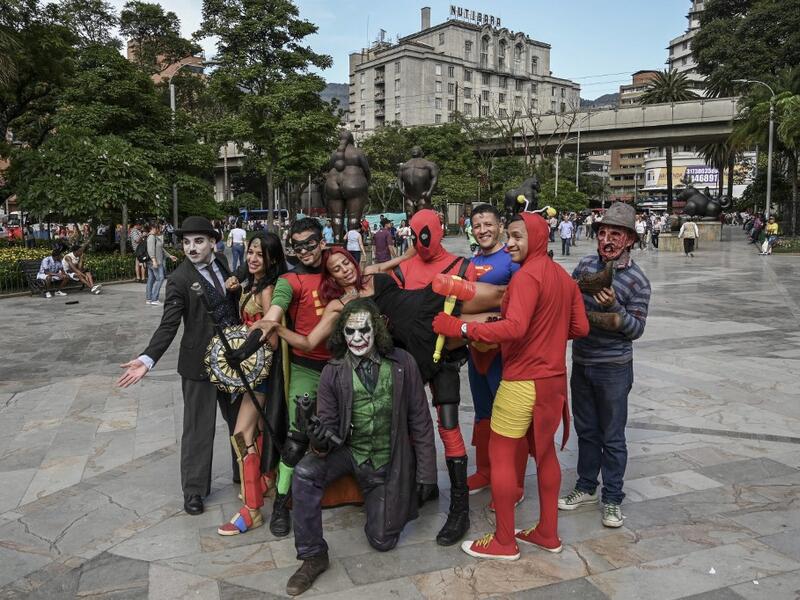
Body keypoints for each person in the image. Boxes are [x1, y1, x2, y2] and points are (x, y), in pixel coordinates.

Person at [432, 212, 589, 560]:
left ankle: (504, 540)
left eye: (518, 236)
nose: (512, 243)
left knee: (501, 456)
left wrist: (459, 329)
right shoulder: (563, 278)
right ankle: (548, 532)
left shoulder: (526, 278)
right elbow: (580, 328)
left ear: (536, 237)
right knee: (546, 454)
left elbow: (514, 328)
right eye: (511, 236)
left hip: (522, 381)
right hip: (553, 382)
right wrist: (545, 335)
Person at [285, 299, 437, 596]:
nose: (357, 339)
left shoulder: (403, 364)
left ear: (376, 329)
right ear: (342, 333)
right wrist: (316, 435)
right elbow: (327, 429)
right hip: (349, 453)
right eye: (350, 332)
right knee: (303, 472)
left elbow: (421, 420)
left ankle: (379, 499)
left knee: (382, 541)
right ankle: (313, 555)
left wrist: (427, 474)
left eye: (363, 330)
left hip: (387, 460)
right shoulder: (333, 372)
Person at [117, 216, 241, 517]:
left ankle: (246, 476)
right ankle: (195, 491)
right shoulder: (180, 279)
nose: (192, 247)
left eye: (199, 241)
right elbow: (169, 325)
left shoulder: (223, 263)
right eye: (186, 242)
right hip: (198, 364)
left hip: (233, 361)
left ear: (213, 242)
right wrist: (147, 359)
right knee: (199, 429)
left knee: (241, 423)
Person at [389, 208, 478, 546]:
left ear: (439, 231)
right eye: (417, 234)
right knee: (410, 423)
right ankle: (422, 484)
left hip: (446, 360)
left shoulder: (461, 266)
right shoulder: (401, 269)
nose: (423, 241)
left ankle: (460, 505)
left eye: (427, 234)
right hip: (409, 359)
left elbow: (481, 312)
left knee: (449, 426)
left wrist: (458, 331)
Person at [560, 202, 651, 529]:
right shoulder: (585, 265)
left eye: (616, 234)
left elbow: (636, 329)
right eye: (602, 232)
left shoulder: (637, 281)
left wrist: (614, 308)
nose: (607, 239)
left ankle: (612, 498)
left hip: (613, 368)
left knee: (612, 436)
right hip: (582, 362)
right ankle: (586, 486)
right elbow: (566, 302)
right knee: (586, 430)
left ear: (629, 239)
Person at [217, 232, 288, 536]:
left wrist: (245, 351)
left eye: (260, 254)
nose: (253, 258)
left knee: (241, 433)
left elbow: (271, 340)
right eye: (250, 252)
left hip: (261, 373)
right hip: (251, 370)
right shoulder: (254, 285)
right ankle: (265, 482)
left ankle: (252, 510)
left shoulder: (269, 290)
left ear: (272, 258)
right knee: (254, 432)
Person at [464, 204, 526, 500]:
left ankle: (514, 482)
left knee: (509, 416)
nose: (483, 230)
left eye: (487, 224)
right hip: (476, 351)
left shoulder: (512, 259)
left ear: (499, 225)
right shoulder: (471, 262)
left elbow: (522, 302)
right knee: (482, 413)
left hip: (504, 351)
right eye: (477, 226)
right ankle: (485, 470)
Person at [146, 222, 178, 306]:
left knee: (151, 279)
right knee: (160, 278)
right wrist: (154, 260)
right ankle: (154, 299)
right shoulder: (151, 237)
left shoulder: (155, 237)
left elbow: (161, 249)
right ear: (153, 228)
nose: (160, 229)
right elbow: (150, 250)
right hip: (156, 262)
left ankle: (149, 298)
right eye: (158, 228)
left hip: (154, 261)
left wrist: (170, 256)